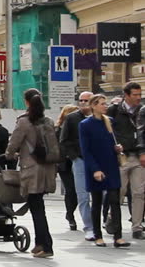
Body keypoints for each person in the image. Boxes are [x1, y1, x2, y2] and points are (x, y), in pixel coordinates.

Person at [6, 89, 56, 258]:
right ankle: (39, 243)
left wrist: (9, 155)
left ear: (26, 102)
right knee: (38, 206)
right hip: (47, 168)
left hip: (31, 170)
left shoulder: (24, 121)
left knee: (37, 208)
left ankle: (46, 246)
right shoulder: (48, 121)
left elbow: (14, 143)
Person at [80, 94, 129, 247]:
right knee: (97, 202)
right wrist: (95, 169)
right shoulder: (85, 124)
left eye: (105, 103)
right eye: (101, 104)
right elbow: (85, 150)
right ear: (93, 106)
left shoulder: (110, 122)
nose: (105, 106)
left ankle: (118, 236)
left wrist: (118, 148)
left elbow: (112, 142)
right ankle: (97, 235)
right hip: (96, 167)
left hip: (111, 165)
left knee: (114, 201)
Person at [106, 82, 143, 239]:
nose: (138, 98)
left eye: (139, 94)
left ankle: (137, 227)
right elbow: (107, 132)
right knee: (119, 190)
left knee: (139, 193)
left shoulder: (142, 110)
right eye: (134, 95)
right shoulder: (115, 110)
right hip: (121, 157)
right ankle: (111, 217)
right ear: (126, 95)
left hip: (139, 156)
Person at [60, 91, 96, 240]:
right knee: (83, 196)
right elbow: (64, 139)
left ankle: (99, 223)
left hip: (98, 161)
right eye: (80, 100)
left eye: (86, 100)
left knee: (102, 195)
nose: (82, 103)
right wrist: (74, 156)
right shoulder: (71, 118)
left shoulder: (101, 118)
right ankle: (89, 227)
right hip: (80, 160)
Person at [55, 104, 79, 232]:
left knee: (78, 190)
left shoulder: (79, 127)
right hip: (64, 163)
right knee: (70, 190)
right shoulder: (57, 129)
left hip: (77, 160)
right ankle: (70, 215)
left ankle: (70, 212)